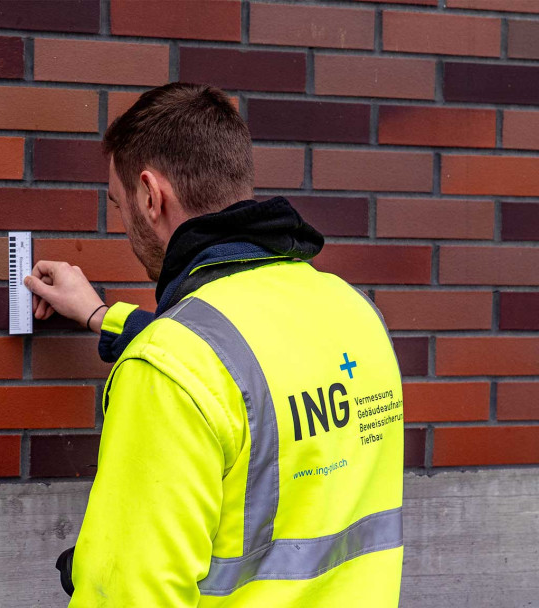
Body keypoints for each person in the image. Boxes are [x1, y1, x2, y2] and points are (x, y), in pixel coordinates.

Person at [24, 83, 404, 607]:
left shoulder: (167, 369)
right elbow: (248, 379)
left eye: (118, 204)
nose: (123, 224)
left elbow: (132, 595)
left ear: (150, 195)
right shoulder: (356, 314)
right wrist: (98, 315)